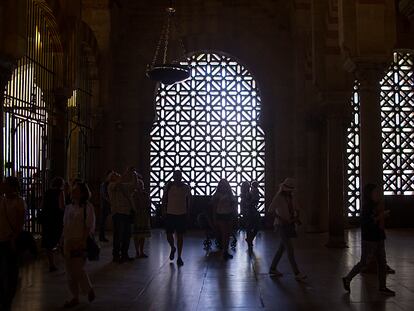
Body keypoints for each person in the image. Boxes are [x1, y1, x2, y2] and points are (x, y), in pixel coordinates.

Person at [342, 184, 395, 296]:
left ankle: (382, 286)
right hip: (370, 239)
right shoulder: (367, 207)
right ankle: (347, 278)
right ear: (369, 194)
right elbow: (367, 223)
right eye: (375, 192)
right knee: (364, 262)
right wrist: (380, 217)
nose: (377, 195)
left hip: (379, 237)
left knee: (382, 262)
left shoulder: (376, 206)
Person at [62, 181, 96, 308]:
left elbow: (89, 226)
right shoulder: (69, 207)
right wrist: (62, 239)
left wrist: (82, 241)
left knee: (77, 269)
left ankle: (88, 289)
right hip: (68, 240)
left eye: (76, 190)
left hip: (79, 240)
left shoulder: (88, 207)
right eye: (73, 190)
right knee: (69, 271)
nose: (73, 192)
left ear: (82, 193)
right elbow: (65, 224)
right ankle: (74, 296)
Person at [268, 178, 307, 281]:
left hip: (289, 225)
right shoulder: (279, 197)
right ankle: (296, 273)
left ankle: (272, 268)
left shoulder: (291, 197)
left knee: (282, 248)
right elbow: (270, 210)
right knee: (289, 249)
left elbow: (296, 208)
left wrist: (296, 217)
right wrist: (281, 218)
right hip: (281, 225)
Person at [0, 177, 26, 311]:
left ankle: (7, 300)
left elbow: (21, 222)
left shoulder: (19, 202)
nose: (2, 185)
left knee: (11, 272)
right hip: (1, 239)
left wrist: (14, 238)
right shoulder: (2, 200)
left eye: (5, 183)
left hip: (11, 240)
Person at [162, 170, 191, 266]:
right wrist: (164, 210)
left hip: (181, 213)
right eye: (176, 176)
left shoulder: (186, 187)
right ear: (174, 177)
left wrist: (188, 211)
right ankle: (173, 247)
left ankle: (179, 256)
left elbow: (190, 199)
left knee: (180, 236)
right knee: (169, 234)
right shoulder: (169, 186)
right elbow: (164, 198)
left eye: (179, 176)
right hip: (170, 213)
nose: (177, 177)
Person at [108, 169, 136, 263]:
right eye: (115, 174)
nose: (118, 175)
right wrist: (127, 172)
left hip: (126, 213)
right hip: (118, 213)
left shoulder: (123, 186)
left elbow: (133, 185)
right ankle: (116, 256)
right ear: (111, 178)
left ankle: (124, 254)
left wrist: (134, 174)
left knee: (126, 236)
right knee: (118, 236)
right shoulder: (111, 185)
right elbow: (119, 182)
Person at [40, 177, 65, 272]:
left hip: (47, 219)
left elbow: (41, 205)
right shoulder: (60, 192)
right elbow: (61, 206)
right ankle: (66, 261)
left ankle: (51, 264)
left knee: (48, 244)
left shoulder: (47, 192)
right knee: (60, 240)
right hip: (56, 219)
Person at [211, 179, 237, 260]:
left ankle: (225, 251)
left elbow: (233, 206)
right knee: (224, 234)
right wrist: (214, 218)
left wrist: (235, 214)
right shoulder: (217, 195)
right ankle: (224, 251)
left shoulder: (229, 195)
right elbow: (214, 208)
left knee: (227, 234)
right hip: (221, 215)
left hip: (228, 215)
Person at [132, 178, 151, 258]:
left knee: (142, 235)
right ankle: (137, 251)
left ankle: (141, 251)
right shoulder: (133, 195)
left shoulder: (145, 194)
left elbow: (148, 204)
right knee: (137, 235)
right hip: (137, 215)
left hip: (143, 215)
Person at [244, 181, 261, 248]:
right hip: (252, 210)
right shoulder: (253, 192)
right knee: (254, 226)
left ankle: (249, 239)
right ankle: (250, 239)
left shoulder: (251, 192)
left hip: (250, 210)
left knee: (250, 226)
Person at [99, 171, 113, 242]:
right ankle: (101, 236)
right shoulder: (104, 184)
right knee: (102, 222)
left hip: (107, 205)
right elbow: (104, 195)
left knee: (103, 221)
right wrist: (111, 201)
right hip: (105, 205)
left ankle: (102, 236)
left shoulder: (109, 184)